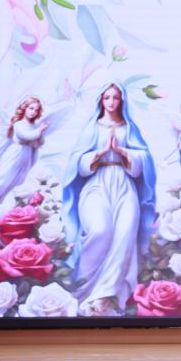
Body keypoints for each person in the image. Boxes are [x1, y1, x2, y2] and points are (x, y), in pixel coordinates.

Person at [63, 83, 157, 317]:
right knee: (100, 230)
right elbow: (78, 164)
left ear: (122, 101)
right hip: (97, 184)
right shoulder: (92, 128)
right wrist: (100, 153)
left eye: (116, 98)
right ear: (101, 100)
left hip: (124, 185)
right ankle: (84, 289)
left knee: (125, 234)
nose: (111, 102)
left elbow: (144, 162)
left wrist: (124, 152)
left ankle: (108, 295)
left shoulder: (129, 128)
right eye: (107, 97)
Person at [0, 96, 49, 218]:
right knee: (2, 179)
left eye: (36, 110)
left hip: (26, 156)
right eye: (31, 108)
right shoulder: (19, 124)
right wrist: (40, 130)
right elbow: (27, 135)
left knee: (18, 181)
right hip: (15, 154)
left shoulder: (33, 126)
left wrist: (40, 134)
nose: (33, 112)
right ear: (24, 108)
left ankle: (6, 206)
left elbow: (39, 142)